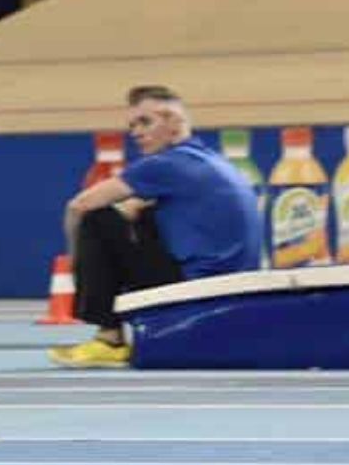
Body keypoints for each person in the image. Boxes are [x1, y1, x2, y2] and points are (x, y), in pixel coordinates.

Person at [51, 86, 260, 368]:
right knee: (141, 212)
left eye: (145, 122)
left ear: (174, 122)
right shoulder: (209, 160)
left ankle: (109, 339)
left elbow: (80, 205)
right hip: (233, 288)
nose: (136, 133)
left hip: (197, 287)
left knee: (95, 219)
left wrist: (80, 263)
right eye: (132, 125)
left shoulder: (163, 165)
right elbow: (133, 209)